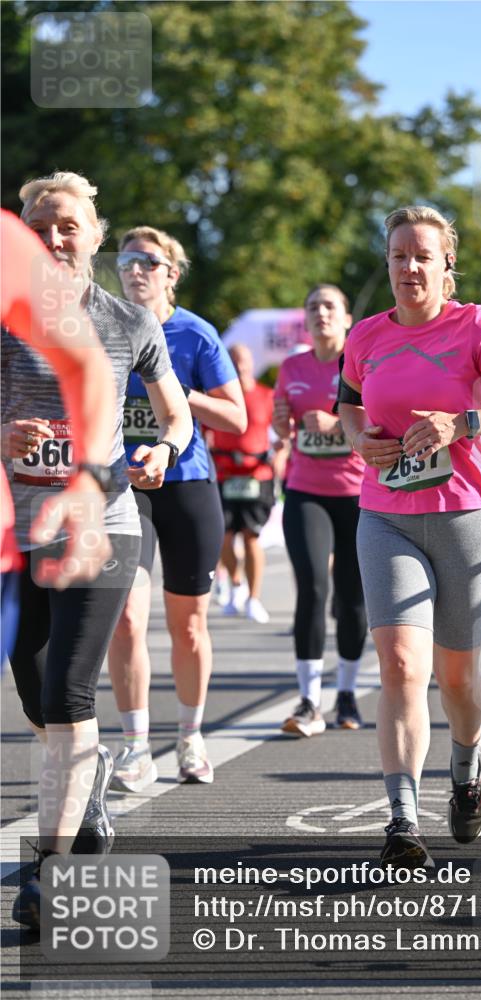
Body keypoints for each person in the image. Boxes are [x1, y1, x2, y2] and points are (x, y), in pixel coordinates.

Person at [337, 205, 481, 867]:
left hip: (468, 517)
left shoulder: (476, 326)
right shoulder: (365, 336)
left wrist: (462, 422)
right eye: (398, 255)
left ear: (445, 265)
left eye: (422, 256)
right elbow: (347, 405)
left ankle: (466, 765)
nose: (409, 267)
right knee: (402, 664)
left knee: (455, 675)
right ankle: (402, 822)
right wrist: (357, 440)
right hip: (385, 515)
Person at [4, 172, 192, 931]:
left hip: (103, 525)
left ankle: (48, 873)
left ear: (94, 235)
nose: (54, 238)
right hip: (19, 533)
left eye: (69, 225)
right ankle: (88, 792)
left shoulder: (128, 321)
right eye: (40, 225)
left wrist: (164, 451)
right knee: (34, 696)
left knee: (68, 695)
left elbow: (176, 415)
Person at [108, 226, 246, 791]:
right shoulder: (103, 328)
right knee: (125, 617)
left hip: (186, 484)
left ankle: (190, 736)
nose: (135, 270)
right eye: (125, 261)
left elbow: (236, 418)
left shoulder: (195, 334)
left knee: (188, 626)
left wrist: (174, 392)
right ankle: (136, 746)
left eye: (148, 260)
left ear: (172, 274)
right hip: (124, 489)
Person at [1, 209, 116, 666]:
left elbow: (85, 364)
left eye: (68, 227)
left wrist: (87, 480)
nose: (53, 239)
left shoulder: (7, 242)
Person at [273, 284, 368, 735]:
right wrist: (280, 425)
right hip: (305, 491)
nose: (321, 313)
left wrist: (338, 423)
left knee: (351, 597)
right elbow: (283, 427)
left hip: (356, 494)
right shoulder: (291, 367)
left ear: (347, 318)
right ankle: (309, 700)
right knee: (312, 588)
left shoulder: (361, 362)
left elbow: (382, 420)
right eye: (313, 306)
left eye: (331, 305)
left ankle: (346, 692)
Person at [205, 343, 274, 623]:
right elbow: (204, 430)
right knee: (224, 536)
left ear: (251, 363)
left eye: (243, 360)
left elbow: (281, 431)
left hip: (257, 475)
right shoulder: (217, 397)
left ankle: (253, 599)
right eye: (232, 361)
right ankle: (235, 583)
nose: (239, 366)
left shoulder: (266, 395)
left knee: (251, 536)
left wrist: (280, 454)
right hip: (224, 474)